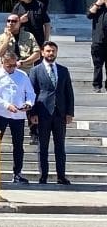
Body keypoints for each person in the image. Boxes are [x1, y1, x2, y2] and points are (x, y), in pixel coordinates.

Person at [30, 41, 74, 184]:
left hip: (60, 113)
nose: (51, 53)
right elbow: (32, 93)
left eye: (53, 51)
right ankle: (44, 175)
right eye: (48, 51)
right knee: (42, 146)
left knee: (60, 146)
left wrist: (69, 112)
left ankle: (61, 175)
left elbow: (69, 93)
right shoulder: (35, 70)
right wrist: (32, 113)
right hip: (43, 113)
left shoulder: (63, 70)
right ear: (42, 52)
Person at [0, 52, 35, 184]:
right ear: (2, 63)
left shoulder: (22, 75)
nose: (12, 68)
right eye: (9, 66)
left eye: (14, 65)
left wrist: (29, 103)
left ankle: (18, 172)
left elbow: (30, 93)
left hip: (18, 114)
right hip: (1, 113)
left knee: (18, 145)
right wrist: (7, 105)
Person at [91, 0, 107, 94]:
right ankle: (97, 85)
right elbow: (89, 14)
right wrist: (97, 4)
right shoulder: (97, 7)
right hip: (98, 41)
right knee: (97, 65)